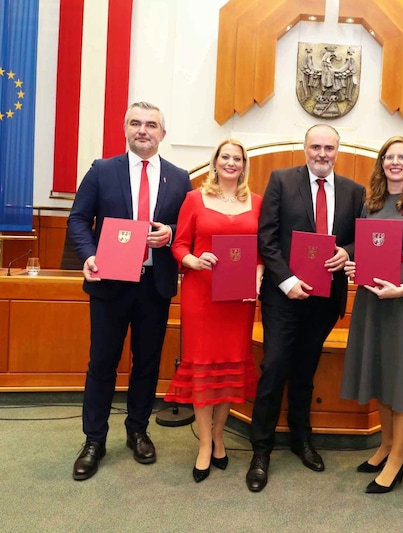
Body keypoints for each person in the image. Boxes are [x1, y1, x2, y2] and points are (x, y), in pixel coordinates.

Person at [67, 101, 191, 481]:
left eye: (151, 125)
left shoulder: (180, 177)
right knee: (102, 364)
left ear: (162, 134)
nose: (143, 130)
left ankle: (137, 430)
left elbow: (185, 230)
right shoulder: (102, 170)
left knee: (147, 364)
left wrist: (169, 233)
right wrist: (88, 255)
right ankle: (94, 440)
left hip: (154, 287)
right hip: (109, 285)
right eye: (136, 123)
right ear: (125, 129)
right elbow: (77, 219)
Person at [246, 124, 365, 492]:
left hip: (326, 299)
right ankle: (260, 450)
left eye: (329, 147)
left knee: (305, 370)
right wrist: (286, 281)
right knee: (275, 366)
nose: (322, 153)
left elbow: (360, 238)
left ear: (337, 150)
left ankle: (301, 438)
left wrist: (349, 252)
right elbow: (266, 236)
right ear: (305, 148)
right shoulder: (281, 180)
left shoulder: (353, 191)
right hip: (284, 296)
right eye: (316, 146)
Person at [340, 136, 403, 494]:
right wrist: (357, 267)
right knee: (382, 374)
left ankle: (398, 458)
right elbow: (368, 250)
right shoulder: (372, 203)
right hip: (371, 301)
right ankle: (384, 446)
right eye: (389, 156)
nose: (395, 162)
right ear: (382, 163)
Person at [164, 139, 262, 483]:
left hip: (238, 302)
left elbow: (262, 254)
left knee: (229, 371)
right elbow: (179, 245)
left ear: (244, 164)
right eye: (226, 157)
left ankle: (220, 436)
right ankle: (204, 444)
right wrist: (194, 260)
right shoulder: (194, 199)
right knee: (204, 370)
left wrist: (257, 280)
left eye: (238, 157)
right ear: (215, 162)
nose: (231, 163)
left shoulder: (258, 202)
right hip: (201, 296)